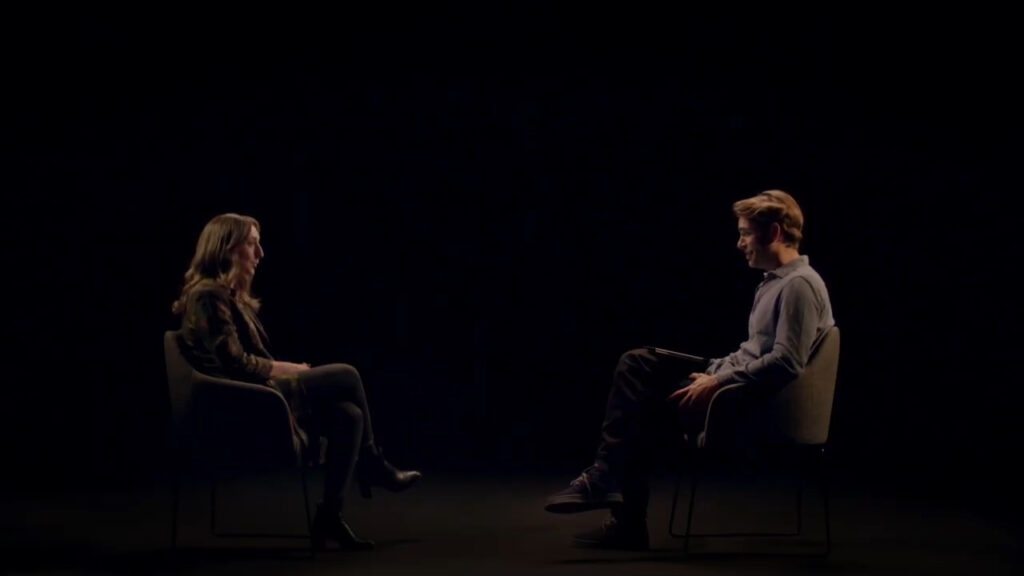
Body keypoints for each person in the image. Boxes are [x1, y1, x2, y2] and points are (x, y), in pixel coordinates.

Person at [543, 190, 835, 550]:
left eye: (745, 233)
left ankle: (619, 507)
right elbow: (754, 351)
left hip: (752, 401)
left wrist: (717, 380)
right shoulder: (774, 282)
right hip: (734, 380)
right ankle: (612, 489)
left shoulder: (799, 286)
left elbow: (787, 361)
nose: (740, 243)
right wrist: (717, 369)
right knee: (638, 362)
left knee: (640, 401)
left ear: (773, 233)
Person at [171, 213, 422, 551]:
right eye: (252, 244)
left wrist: (286, 372)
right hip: (236, 407)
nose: (260, 253)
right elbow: (236, 365)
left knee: (350, 416)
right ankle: (374, 465)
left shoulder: (228, 297)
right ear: (226, 248)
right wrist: (290, 369)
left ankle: (329, 516)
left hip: (253, 396)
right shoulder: (208, 296)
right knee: (347, 374)